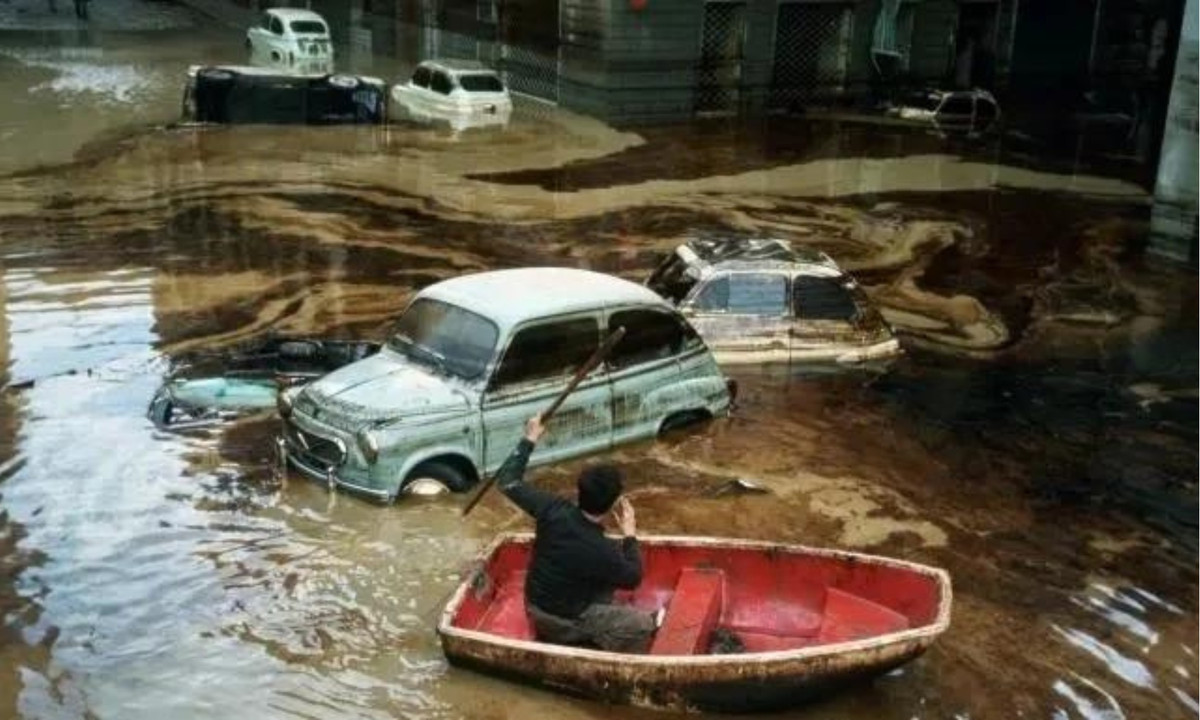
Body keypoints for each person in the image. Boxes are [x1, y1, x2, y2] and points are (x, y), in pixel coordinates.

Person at [496, 414, 659, 653]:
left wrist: (530, 437)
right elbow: (633, 578)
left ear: (579, 490)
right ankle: (589, 644)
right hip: (557, 620)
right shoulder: (600, 549)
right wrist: (630, 535)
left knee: (608, 572)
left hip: (534, 602)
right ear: (613, 503)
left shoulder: (552, 508)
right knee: (642, 624)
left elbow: (508, 481)